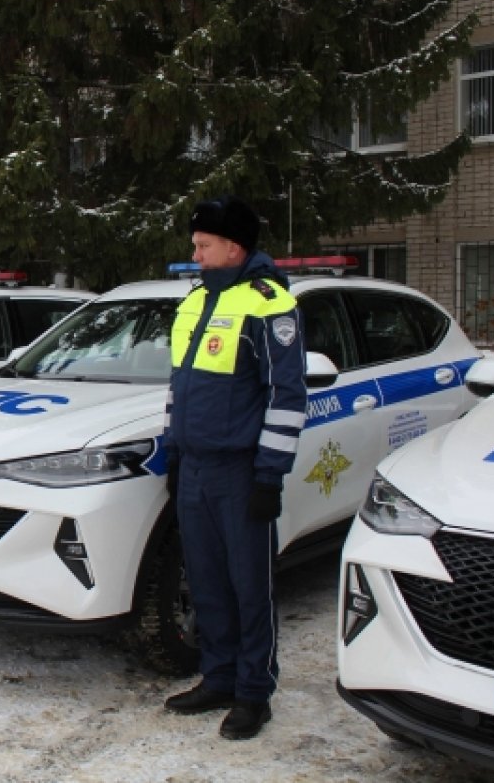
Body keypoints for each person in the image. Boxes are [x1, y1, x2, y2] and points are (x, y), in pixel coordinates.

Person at [161, 196, 307, 740]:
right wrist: (175, 453)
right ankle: (218, 676)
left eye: (203, 244)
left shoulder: (269, 304)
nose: (194, 253)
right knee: (207, 582)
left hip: (241, 470)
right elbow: (179, 387)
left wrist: (269, 475)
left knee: (251, 586)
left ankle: (253, 692)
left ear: (234, 247)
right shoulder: (195, 302)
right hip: (195, 467)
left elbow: (287, 397)